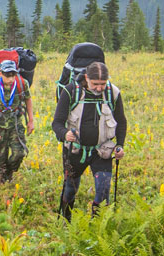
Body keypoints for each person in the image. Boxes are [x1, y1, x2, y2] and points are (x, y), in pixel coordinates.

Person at [54, 61, 127, 217]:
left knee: (103, 189)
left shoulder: (112, 93)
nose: (99, 88)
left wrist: (120, 145)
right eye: (95, 84)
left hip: (102, 150)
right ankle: (65, 222)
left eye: (103, 83)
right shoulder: (70, 91)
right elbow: (57, 123)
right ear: (86, 78)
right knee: (70, 189)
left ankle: (96, 226)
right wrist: (65, 134)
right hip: (75, 150)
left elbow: (121, 121)